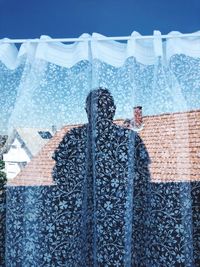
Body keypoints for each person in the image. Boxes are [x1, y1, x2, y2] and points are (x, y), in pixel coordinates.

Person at [52, 88, 150, 266]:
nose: (101, 111)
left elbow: (58, 177)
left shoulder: (73, 138)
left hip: (91, 223)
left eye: (103, 107)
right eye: (97, 107)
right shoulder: (129, 139)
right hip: (114, 223)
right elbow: (143, 182)